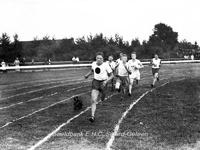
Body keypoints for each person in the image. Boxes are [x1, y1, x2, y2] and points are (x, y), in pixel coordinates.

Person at [84, 52, 114, 123]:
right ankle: (92, 116)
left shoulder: (106, 65)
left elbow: (112, 75)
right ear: (96, 58)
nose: (99, 59)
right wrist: (87, 75)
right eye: (98, 58)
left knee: (102, 97)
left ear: (103, 59)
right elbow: (92, 70)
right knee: (94, 99)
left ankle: (102, 99)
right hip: (96, 83)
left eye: (101, 58)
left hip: (104, 83)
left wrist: (106, 81)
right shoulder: (93, 64)